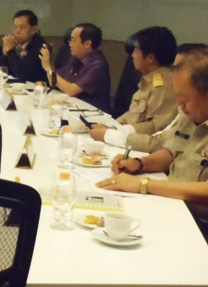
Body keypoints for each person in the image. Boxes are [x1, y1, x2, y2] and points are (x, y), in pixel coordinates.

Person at [96, 48, 208, 203]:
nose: (179, 105)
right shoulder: (189, 116)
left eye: (185, 99)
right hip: (171, 201)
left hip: (194, 215)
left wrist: (144, 184)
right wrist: (140, 164)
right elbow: (172, 152)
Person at [89, 27, 178, 150]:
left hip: (141, 147)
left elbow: (156, 127)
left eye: (136, 50)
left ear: (150, 58)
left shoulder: (162, 86)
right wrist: (112, 126)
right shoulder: (149, 78)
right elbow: (132, 114)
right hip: (128, 140)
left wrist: (114, 132)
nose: (132, 55)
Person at [39, 22, 110, 111]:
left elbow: (71, 91)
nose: (70, 44)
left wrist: (49, 68)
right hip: (73, 107)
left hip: (92, 113)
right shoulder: (76, 58)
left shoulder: (98, 65)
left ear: (87, 44)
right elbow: (54, 82)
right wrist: (50, 62)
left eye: (73, 40)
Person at [0, 9, 47, 83]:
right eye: (15, 27)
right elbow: (0, 70)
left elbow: (23, 75)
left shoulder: (40, 47)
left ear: (33, 29)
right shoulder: (14, 43)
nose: (17, 31)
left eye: (22, 27)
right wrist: (5, 53)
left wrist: (10, 51)